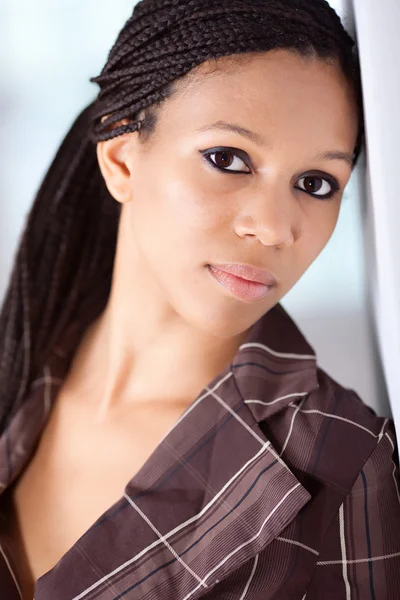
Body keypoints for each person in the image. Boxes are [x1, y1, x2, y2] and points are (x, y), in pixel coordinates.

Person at [0, 0, 399, 598]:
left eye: (315, 184)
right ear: (121, 160)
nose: (273, 227)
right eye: (228, 159)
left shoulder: (341, 465)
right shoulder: (18, 370)